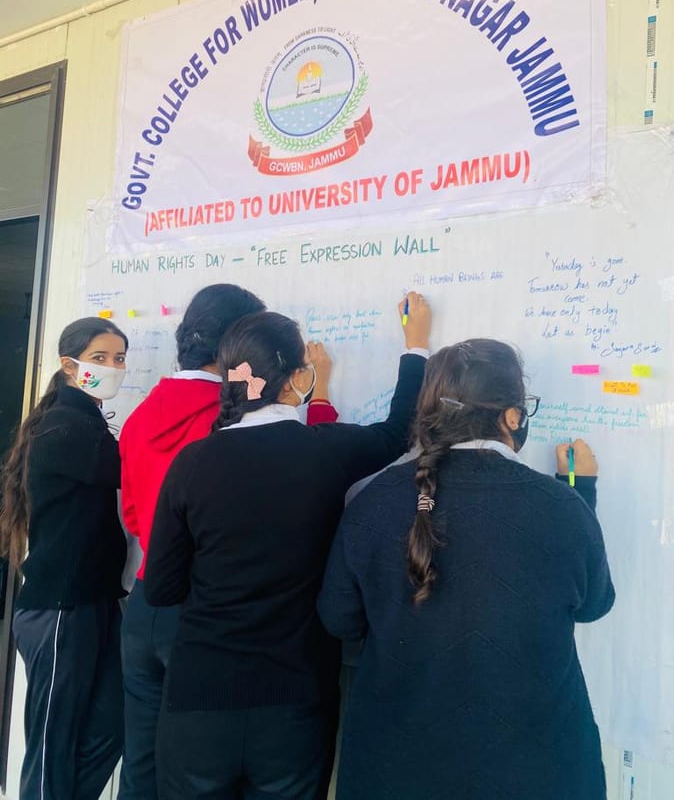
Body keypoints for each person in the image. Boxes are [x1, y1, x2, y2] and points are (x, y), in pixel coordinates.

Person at [143, 293, 430, 800]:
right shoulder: (328, 452)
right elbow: (397, 433)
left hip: (200, 698)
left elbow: (162, 589)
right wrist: (415, 346)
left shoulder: (192, 463)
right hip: (294, 699)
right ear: (298, 377)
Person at [318, 338, 615, 800]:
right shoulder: (563, 505)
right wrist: (581, 492)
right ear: (512, 416)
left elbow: (339, 618)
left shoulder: (371, 500)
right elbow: (593, 604)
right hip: (538, 769)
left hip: (396, 766)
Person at [117, 283, 337, 800]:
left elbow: (132, 513)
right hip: (203, 622)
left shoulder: (142, 412)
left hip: (144, 605)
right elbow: (301, 461)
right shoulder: (226, 420)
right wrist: (320, 397)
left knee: (142, 768)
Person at [0, 317, 129, 800]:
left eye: (119, 358)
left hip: (94, 602)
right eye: (99, 358)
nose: (112, 367)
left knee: (114, 722)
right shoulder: (65, 426)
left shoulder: (85, 419)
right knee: (51, 746)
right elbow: (128, 471)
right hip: (60, 608)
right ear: (69, 364)